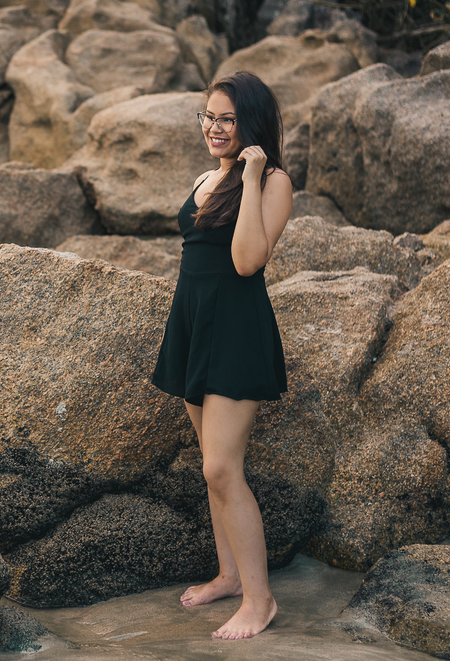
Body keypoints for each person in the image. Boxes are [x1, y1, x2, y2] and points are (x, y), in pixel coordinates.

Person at [151, 70, 292, 640]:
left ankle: (260, 601)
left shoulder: (274, 180)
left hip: (235, 328)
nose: (213, 127)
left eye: (226, 119)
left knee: (220, 466)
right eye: (208, 116)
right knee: (210, 465)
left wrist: (253, 173)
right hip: (193, 324)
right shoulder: (206, 177)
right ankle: (230, 576)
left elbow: (247, 261)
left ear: (251, 123)